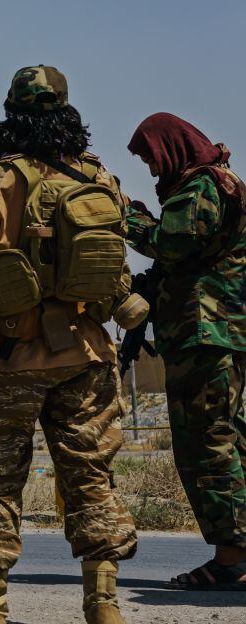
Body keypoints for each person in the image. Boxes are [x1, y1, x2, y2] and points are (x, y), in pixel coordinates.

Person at [0, 66, 138, 624]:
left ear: (10, 114)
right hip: (86, 354)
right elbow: (117, 268)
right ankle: (102, 605)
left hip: (7, 357)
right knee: (91, 479)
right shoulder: (101, 179)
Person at [124, 112, 246, 591]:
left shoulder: (204, 187)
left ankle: (231, 559)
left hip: (206, 334)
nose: (154, 172)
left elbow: (171, 241)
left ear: (172, 146)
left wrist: (125, 214)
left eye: (153, 159)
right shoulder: (221, 181)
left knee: (208, 446)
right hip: (212, 334)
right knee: (226, 440)